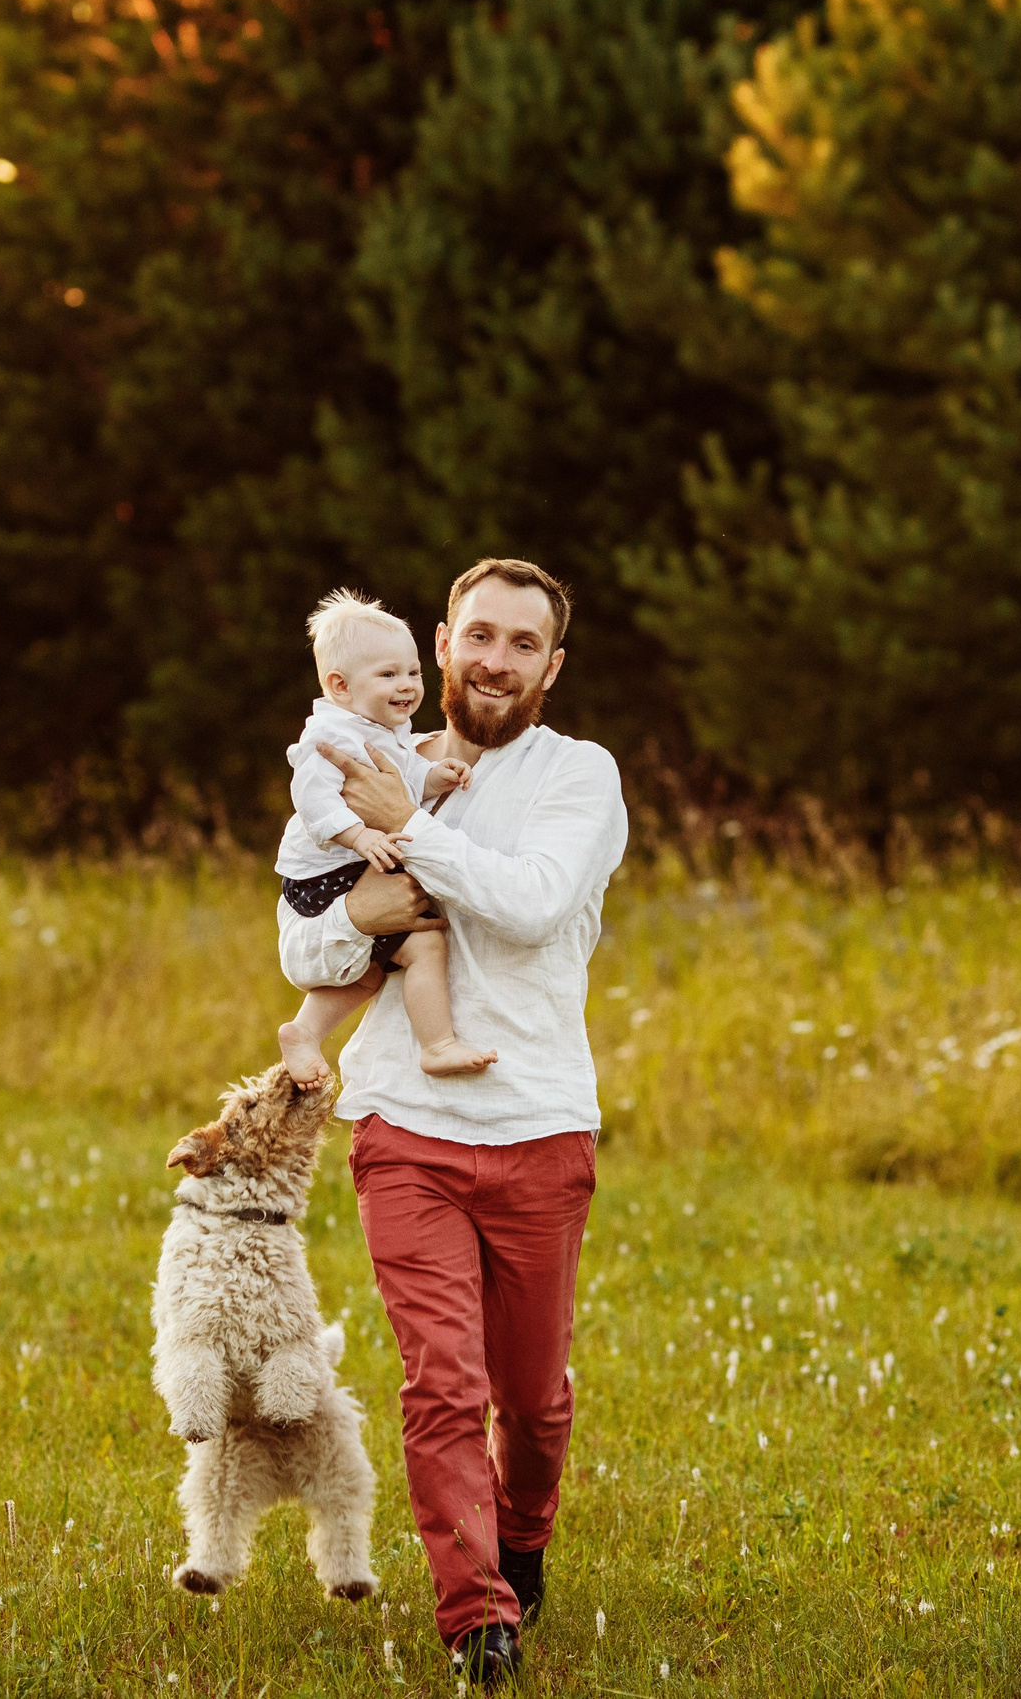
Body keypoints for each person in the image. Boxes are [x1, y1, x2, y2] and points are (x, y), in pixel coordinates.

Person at [279, 559, 627, 1684]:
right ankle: (477, 1618)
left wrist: (407, 837)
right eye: (479, 635)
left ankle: (520, 1540)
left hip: (536, 1124)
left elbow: (528, 907)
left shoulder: (581, 776)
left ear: (550, 666)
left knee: (531, 1402)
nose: (495, 659)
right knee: (440, 1385)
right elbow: (304, 945)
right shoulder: (368, 757)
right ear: (439, 643)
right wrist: (364, 909)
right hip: (404, 1125)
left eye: (522, 644)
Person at [273, 589, 489, 1089]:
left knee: (369, 972)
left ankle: (305, 1031)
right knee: (423, 948)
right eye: (388, 675)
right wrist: (359, 835)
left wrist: (435, 777)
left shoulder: (380, 729)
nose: (408, 685)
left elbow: (404, 773)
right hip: (325, 873)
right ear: (340, 686)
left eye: (412, 672)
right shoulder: (331, 737)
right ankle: (437, 1046)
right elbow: (313, 799)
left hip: (344, 869)